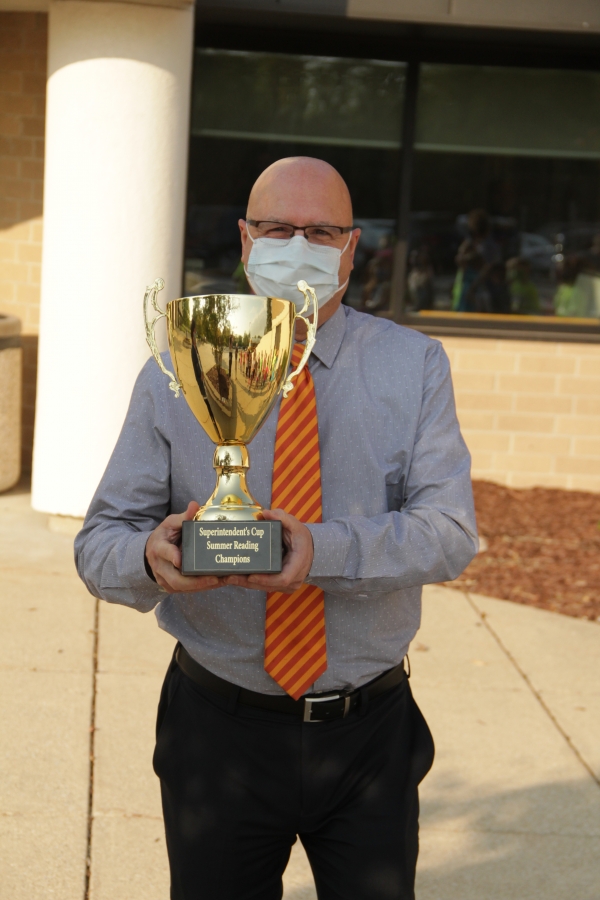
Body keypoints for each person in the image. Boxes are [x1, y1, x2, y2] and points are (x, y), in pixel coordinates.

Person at [75, 157, 477, 900]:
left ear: (352, 247)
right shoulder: (177, 366)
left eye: (321, 232)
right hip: (217, 730)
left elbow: (449, 531)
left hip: (368, 734)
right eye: (277, 228)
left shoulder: (413, 365)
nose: (299, 246)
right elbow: (99, 544)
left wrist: (320, 550)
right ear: (245, 240)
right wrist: (150, 557)